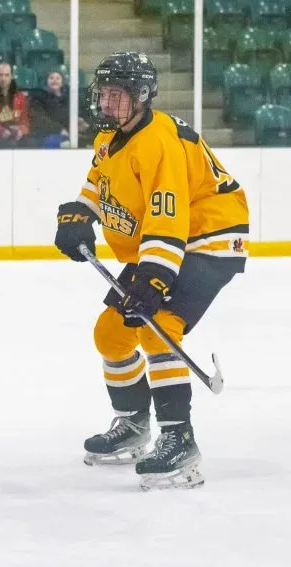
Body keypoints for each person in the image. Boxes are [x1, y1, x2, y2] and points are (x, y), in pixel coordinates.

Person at [53, 52, 249, 490]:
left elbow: (168, 218)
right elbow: (99, 183)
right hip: (171, 239)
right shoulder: (110, 135)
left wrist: (154, 278)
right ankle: (132, 422)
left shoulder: (158, 142)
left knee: (157, 324)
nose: (107, 102)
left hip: (209, 236)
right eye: (103, 93)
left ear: (141, 95)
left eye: (116, 95)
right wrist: (80, 214)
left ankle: (179, 439)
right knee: (111, 334)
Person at [27, 70, 70, 148]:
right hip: (46, 135)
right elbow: (40, 119)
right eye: (51, 78)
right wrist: (59, 130)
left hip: (68, 134)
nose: (54, 80)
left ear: (62, 82)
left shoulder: (68, 99)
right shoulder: (39, 98)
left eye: (58, 78)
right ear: (46, 81)